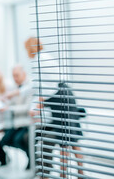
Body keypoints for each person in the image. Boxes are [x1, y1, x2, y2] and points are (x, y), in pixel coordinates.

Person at [25, 37, 85, 178]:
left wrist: (40, 102)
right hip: (64, 99)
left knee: (66, 141)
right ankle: (79, 174)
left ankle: (67, 175)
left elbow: (50, 84)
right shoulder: (44, 57)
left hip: (61, 101)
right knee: (71, 140)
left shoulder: (40, 59)